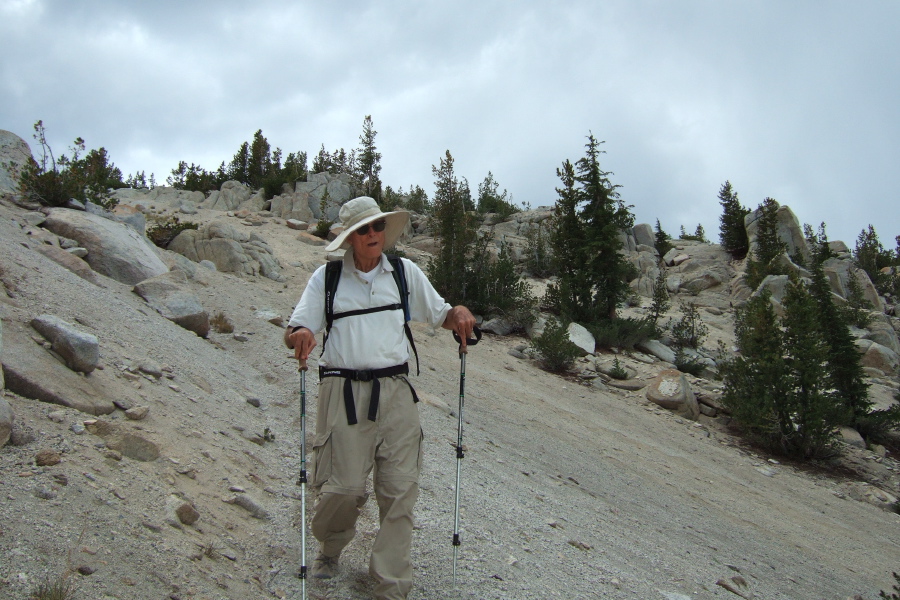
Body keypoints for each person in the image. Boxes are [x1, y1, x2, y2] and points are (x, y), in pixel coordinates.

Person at [284, 196, 476, 600]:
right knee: (344, 487)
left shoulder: (404, 273)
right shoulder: (327, 279)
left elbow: (440, 312)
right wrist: (300, 336)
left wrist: (457, 313)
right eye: (362, 230)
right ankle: (330, 547)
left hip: (396, 392)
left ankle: (391, 585)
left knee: (400, 487)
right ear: (350, 238)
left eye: (377, 227)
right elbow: (299, 325)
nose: (372, 235)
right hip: (342, 390)